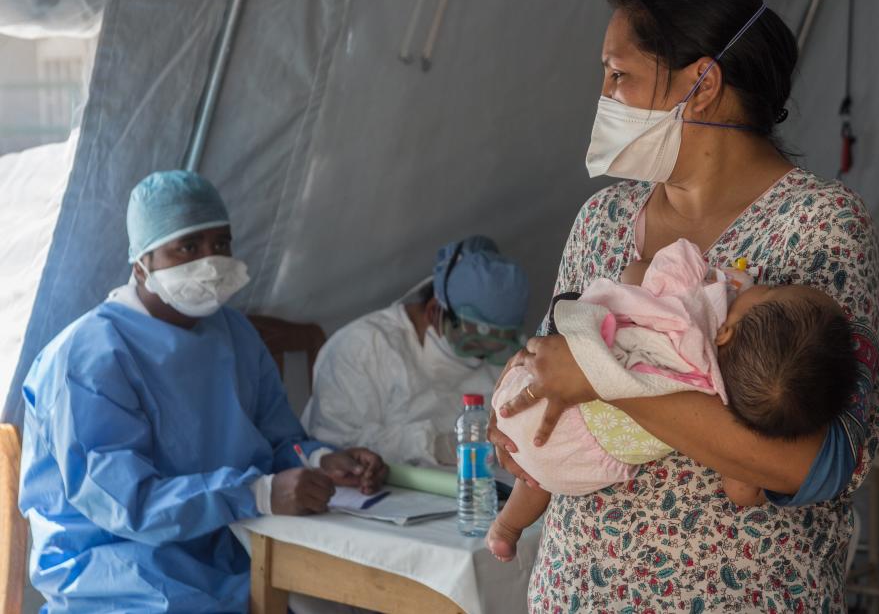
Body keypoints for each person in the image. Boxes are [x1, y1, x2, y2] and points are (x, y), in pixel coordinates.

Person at [489, 0, 879, 612]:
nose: (604, 94)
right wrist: (512, 419)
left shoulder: (818, 228)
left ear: (702, 83)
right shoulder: (604, 220)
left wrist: (605, 382)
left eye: (619, 74)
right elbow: (552, 371)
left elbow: (816, 464)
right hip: (576, 591)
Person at [19, 170, 388, 614]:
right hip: (116, 572)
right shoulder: (88, 358)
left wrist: (320, 460)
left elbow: (276, 438)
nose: (212, 261)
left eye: (222, 243)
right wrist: (256, 493)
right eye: (189, 247)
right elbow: (125, 503)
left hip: (227, 553)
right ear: (142, 262)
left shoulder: (234, 333)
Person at [485, 238, 858, 561]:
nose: (767, 286)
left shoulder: (689, 314)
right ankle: (508, 526)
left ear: (726, 332)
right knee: (542, 477)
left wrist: (705, 278)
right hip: (581, 463)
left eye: (773, 292)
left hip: (539, 411)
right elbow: (740, 487)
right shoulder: (726, 405)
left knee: (534, 469)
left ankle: (506, 524)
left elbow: (634, 274)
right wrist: (754, 497)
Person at [301, 235, 529, 466]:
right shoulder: (364, 347)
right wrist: (434, 446)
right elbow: (337, 447)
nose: (485, 352)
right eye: (473, 340)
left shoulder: (500, 361)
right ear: (434, 311)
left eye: (498, 343)